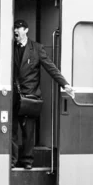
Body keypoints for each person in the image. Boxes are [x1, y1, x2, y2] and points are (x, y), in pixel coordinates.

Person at [12, 19, 75, 169]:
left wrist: (65, 84)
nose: (16, 30)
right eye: (14, 27)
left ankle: (27, 161)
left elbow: (50, 68)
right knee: (12, 131)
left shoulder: (37, 48)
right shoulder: (10, 48)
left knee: (28, 132)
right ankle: (12, 161)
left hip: (30, 96)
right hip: (14, 96)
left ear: (26, 30)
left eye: (19, 28)